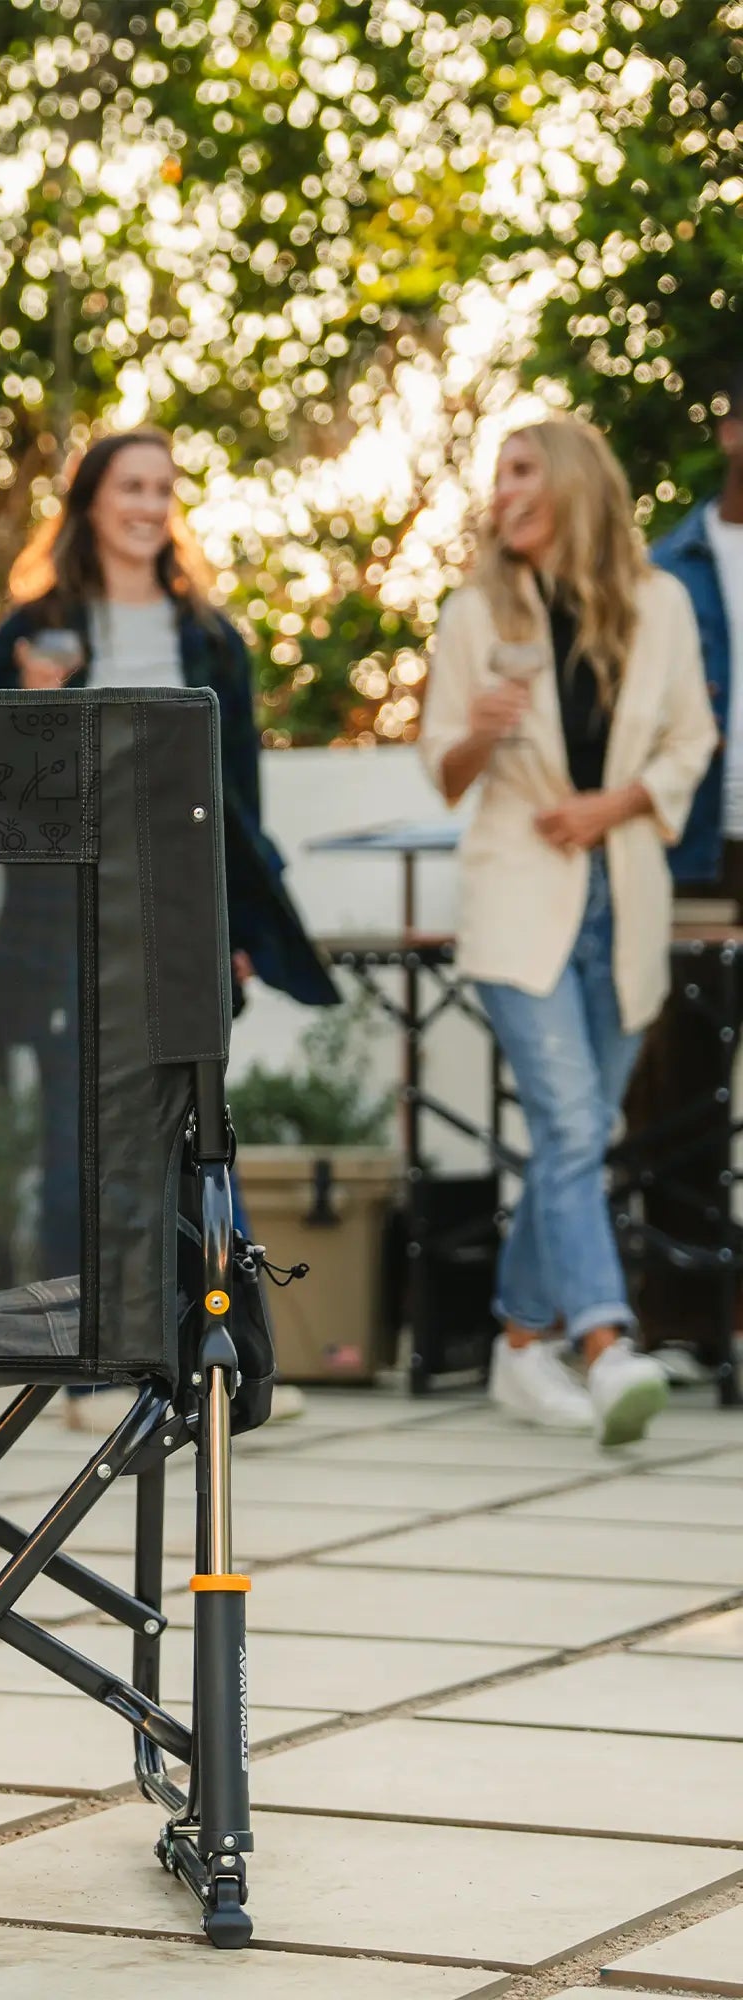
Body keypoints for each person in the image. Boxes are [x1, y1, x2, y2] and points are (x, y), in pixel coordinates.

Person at [0, 427, 336, 1429]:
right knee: (72, 1136)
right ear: (90, 500)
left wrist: (237, 926)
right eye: (130, 485)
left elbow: (238, 802)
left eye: (161, 488)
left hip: (177, 912)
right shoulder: (32, 631)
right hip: (63, 914)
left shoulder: (210, 638)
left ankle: (230, 1367)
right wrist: (30, 708)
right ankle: (87, 1375)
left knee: (197, 1136)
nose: (147, 504)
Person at [420, 417, 715, 1443]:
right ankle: (602, 1341)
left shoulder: (659, 603)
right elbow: (443, 770)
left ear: (572, 481)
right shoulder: (474, 612)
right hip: (516, 894)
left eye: (519, 469)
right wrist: (478, 732)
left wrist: (612, 805)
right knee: (571, 1121)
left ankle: (516, 1346)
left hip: (623, 894)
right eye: (496, 475)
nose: (500, 489)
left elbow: (693, 739)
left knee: (577, 1133)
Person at [620, 362, 743, 1350]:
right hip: (695, 848)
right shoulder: (667, 569)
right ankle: (682, 1315)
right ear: (732, 431)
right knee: (676, 1084)